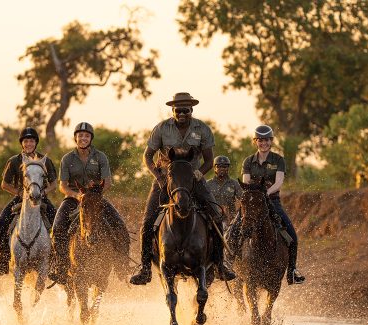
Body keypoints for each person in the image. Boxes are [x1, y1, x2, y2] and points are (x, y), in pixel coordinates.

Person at [130, 92, 236, 285]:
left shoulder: (202, 129)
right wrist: (159, 176)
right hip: (166, 180)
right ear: (172, 110)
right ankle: (145, 269)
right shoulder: (161, 128)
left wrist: (200, 173)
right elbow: (147, 157)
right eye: (178, 110)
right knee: (147, 223)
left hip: (194, 178)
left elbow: (210, 160)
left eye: (185, 110)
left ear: (191, 110)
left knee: (216, 215)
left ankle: (220, 264)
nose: (181, 113)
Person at [227, 125, 305, 285]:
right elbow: (246, 182)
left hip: (272, 201)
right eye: (261, 140)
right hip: (252, 203)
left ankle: (292, 271)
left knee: (292, 236)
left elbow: (279, 182)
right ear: (255, 141)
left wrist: (265, 193)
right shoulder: (248, 161)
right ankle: (228, 264)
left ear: (271, 141)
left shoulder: (278, 160)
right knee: (232, 231)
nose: (264, 143)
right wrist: (254, 196)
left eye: (267, 140)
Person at [49, 122, 120, 285]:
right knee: (57, 227)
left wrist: (96, 192)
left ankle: (121, 265)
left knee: (119, 224)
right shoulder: (67, 158)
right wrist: (76, 195)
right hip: (73, 199)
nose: (83, 138)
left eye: (86, 136)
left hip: (95, 198)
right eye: (80, 135)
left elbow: (107, 181)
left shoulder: (100, 157)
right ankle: (61, 267)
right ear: (75, 138)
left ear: (91, 138)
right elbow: (62, 185)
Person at [0, 127, 57, 275]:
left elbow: (54, 183)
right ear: (22, 143)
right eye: (26, 141)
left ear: (36, 143)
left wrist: (43, 192)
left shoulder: (44, 160)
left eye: (32, 141)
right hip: (20, 198)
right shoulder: (14, 161)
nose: (29, 144)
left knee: (57, 221)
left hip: (41, 197)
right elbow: (4, 184)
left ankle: (57, 260)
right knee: (1, 220)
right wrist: (20, 193)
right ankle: (3, 260)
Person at [206, 155, 243, 226]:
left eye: (225, 166)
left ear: (228, 168)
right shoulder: (208, 184)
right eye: (219, 166)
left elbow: (242, 200)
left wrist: (236, 215)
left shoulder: (234, 184)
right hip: (212, 219)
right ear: (214, 168)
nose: (222, 169)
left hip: (231, 220)